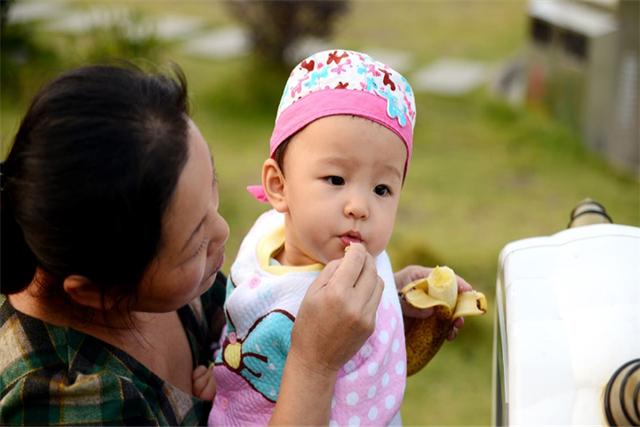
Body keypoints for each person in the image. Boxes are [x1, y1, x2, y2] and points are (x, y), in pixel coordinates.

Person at [0, 63, 468, 426]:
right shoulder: (59, 402)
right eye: (193, 242)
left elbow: (263, 339)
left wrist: (384, 311)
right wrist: (314, 365)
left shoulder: (166, 282)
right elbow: (298, 356)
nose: (223, 233)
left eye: (213, 195)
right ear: (96, 292)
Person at [204, 49, 467, 426]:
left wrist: (395, 294)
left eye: (381, 189)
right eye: (336, 180)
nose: (360, 206)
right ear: (279, 186)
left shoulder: (337, 252)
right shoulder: (278, 275)